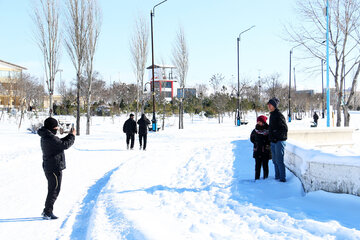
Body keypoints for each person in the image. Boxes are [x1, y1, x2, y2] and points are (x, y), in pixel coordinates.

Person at [37, 117, 75, 220]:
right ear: (50, 128)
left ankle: (47, 211)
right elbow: (64, 145)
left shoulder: (47, 135)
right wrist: (72, 136)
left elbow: (59, 143)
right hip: (53, 167)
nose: (57, 129)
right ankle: (47, 212)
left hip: (52, 166)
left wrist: (69, 135)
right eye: (55, 127)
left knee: (54, 189)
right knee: (53, 190)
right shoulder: (49, 137)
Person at [267, 97, 288, 182]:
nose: (268, 106)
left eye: (270, 104)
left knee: (279, 160)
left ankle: (282, 179)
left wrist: (276, 137)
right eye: (268, 104)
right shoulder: (272, 115)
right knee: (274, 160)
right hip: (273, 141)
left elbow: (284, 129)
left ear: (274, 105)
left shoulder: (279, 115)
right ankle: (277, 177)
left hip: (279, 141)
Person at [250, 115, 272, 180]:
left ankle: (266, 178)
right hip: (257, 150)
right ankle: (257, 178)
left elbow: (270, 139)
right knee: (257, 166)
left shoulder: (268, 130)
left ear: (263, 122)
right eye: (258, 122)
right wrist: (256, 143)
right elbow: (252, 138)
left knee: (265, 165)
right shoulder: (255, 130)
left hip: (265, 150)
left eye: (260, 122)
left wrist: (266, 144)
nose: (259, 123)